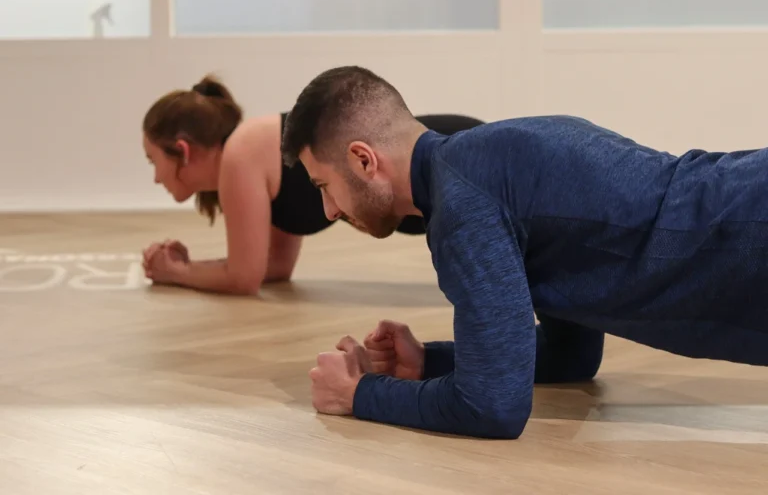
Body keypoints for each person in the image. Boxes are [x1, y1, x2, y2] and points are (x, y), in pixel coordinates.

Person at [280, 65, 768, 440]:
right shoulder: (501, 160)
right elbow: (572, 355)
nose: (326, 210)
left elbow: (493, 407)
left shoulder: (465, 206)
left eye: (325, 186)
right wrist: (429, 362)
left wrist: (360, 394)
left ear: (363, 160)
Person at [140, 75, 485, 295]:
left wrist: (176, 272)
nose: (156, 177)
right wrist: (189, 269)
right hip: (448, 160)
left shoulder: (239, 155)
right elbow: (273, 268)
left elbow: (242, 279)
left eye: (154, 161)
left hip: (454, 152)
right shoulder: (248, 150)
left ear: (182, 151)